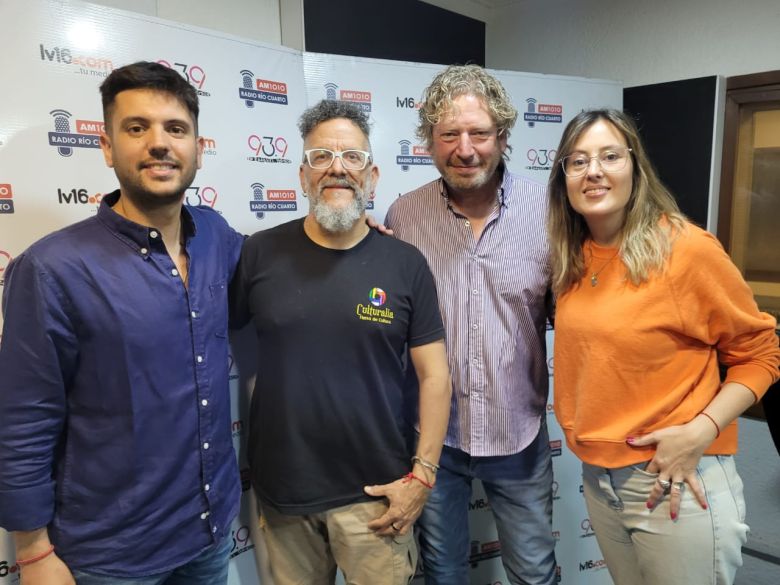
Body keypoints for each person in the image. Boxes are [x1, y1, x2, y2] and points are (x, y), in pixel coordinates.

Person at [0, 62, 244, 584]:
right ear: (108, 147)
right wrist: (33, 551)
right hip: (111, 557)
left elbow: (288, 265)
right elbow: (23, 419)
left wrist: (355, 234)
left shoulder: (217, 237)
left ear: (198, 148)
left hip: (209, 534)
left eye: (176, 129)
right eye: (137, 128)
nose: (159, 143)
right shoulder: (51, 269)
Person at [547, 108, 780, 585]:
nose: (593, 171)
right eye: (578, 161)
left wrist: (701, 430)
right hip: (601, 480)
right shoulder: (573, 256)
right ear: (564, 178)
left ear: (635, 165)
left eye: (609, 156)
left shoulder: (684, 249)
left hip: (676, 479)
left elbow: (761, 354)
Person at [229, 99, 452, 585]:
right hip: (285, 494)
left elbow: (435, 376)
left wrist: (423, 476)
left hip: (377, 495)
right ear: (303, 176)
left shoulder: (404, 263)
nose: (337, 169)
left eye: (352, 157)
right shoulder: (259, 253)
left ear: (372, 177)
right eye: (321, 158)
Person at [385, 65, 557, 585]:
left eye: (479, 133)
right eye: (448, 135)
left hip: (519, 434)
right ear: (429, 143)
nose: (465, 149)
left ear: (502, 136)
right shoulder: (405, 216)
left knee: (533, 572)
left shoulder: (549, 210)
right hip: (435, 441)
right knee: (442, 572)